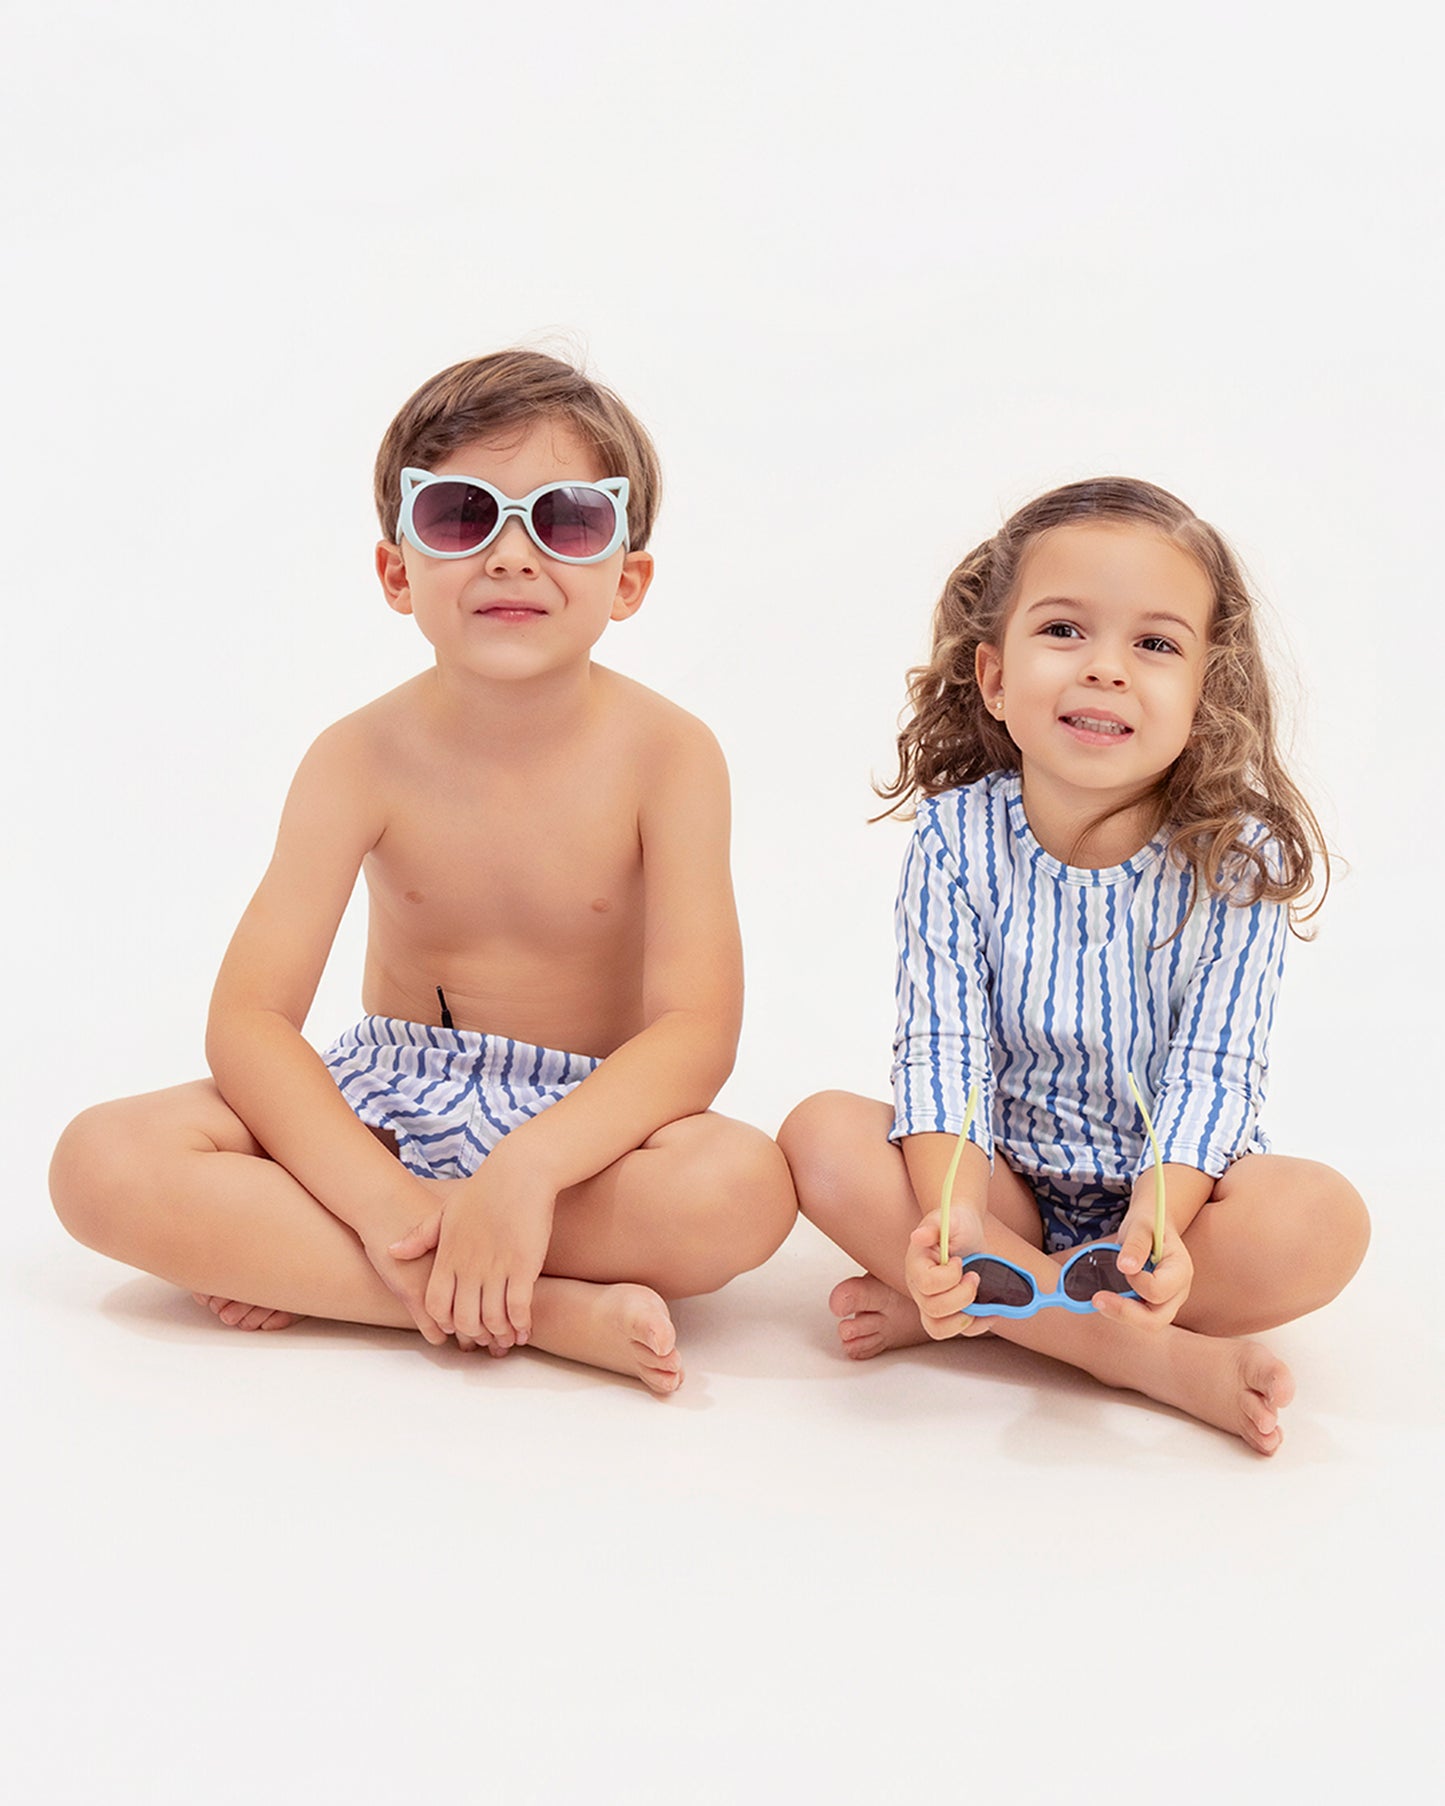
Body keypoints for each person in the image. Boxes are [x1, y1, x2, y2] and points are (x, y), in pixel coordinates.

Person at [50, 349, 796, 1394]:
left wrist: (530, 1169)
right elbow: (252, 1020)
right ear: (397, 571)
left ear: (625, 580)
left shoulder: (671, 756)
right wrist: (380, 1203)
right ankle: (537, 1310)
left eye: (566, 521)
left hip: (580, 1124)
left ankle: (323, 1270)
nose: (510, 556)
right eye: (459, 517)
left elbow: (693, 1031)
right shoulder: (355, 757)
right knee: (100, 1161)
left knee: (743, 1190)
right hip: (383, 1103)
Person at [779, 478, 1368, 1454]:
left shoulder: (1235, 859)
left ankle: (997, 1311)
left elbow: (1213, 1073)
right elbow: (941, 1048)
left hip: (1169, 1202)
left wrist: (1157, 1228)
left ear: (1203, 697)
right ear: (993, 676)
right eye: (1062, 631)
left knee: (1320, 1221)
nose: (1104, 669)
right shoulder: (956, 837)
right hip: (999, 1183)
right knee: (819, 1136)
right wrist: (951, 1220)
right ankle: (1136, 1356)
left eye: (1154, 645)